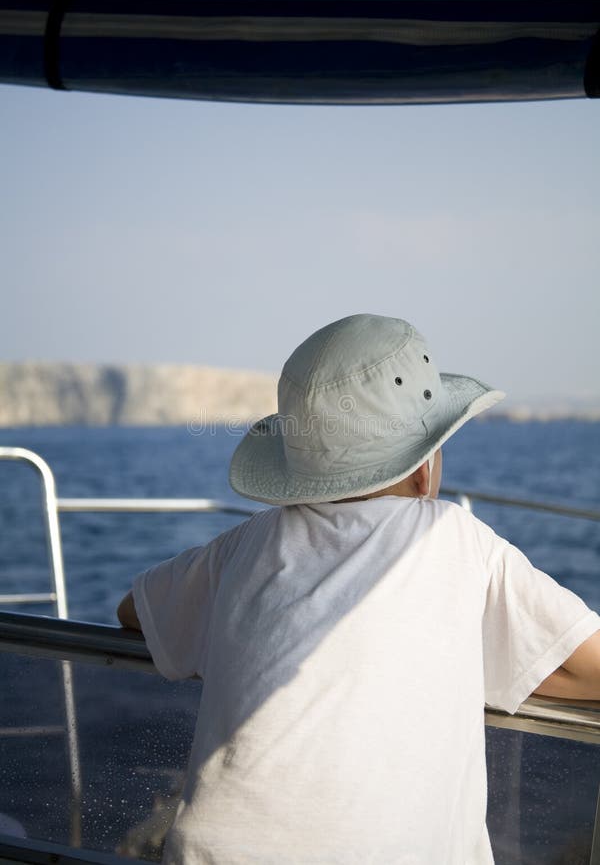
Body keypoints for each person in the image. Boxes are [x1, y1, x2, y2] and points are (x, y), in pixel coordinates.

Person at [118, 314, 600, 865]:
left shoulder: (240, 548)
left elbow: (136, 611)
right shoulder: (454, 538)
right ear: (424, 473)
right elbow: (590, 667)